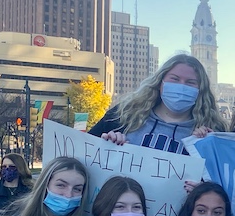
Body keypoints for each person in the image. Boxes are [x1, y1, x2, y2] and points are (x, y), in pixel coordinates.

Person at [90, 54, 227, 155]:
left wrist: (209, 148)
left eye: (190, 82)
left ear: (200, 89)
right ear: (160, 82)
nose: (181, 86)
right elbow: (84, 154)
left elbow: (220, 182)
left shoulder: (213, 131)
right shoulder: (122, 115)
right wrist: (105, 145)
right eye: (174, 79)